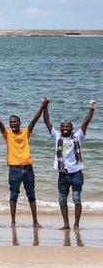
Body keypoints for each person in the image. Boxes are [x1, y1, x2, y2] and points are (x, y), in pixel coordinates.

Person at [0, 101, 47, 228]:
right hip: (14, 170)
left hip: (28, 169)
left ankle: (35, 221)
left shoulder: (26, 133)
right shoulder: (7, 134)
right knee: (13, 196)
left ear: (19, 123)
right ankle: (13, 222)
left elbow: (34, 121)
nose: (12, 124)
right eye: (11, 122)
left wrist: (42, 107)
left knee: (31, 195)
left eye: (14, 122)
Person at [42, 98, 95, 230]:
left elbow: (85, 122)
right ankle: (66, 224)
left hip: (76, 173)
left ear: (72, 128)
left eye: (68, 126)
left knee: (76, 199)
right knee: (62, 200)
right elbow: (47, 121)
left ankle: (76, 224)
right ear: (60, 128)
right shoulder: (56, 137)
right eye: (63, 126)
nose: (65, 128)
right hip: (63, 174)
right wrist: (45, 106)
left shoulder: (78, 137)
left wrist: (92, 108)